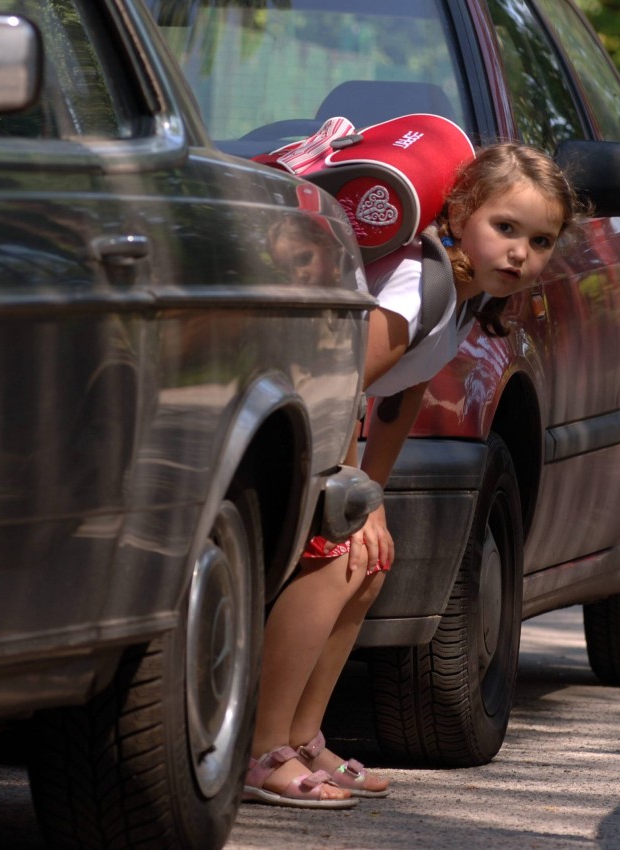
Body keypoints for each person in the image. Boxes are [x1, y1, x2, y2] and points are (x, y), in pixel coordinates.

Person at [242, 138, 583, 808]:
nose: (520, 253)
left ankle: (306, 737)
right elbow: (335, 384)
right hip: (270, 425)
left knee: (371, 565)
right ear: (459, 215)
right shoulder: (416, 286)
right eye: (505, 229)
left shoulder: (462, 297)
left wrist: (379, 497)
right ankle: (261, 751)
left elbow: (399, 396)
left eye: (540, 241)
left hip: (309, 425)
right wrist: (353, 499)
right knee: (337, 555)